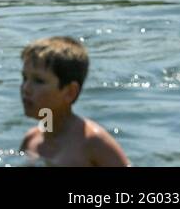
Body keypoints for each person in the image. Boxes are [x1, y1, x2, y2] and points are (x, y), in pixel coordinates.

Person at [19, 36, 130, 167]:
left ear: (70, 92)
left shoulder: (93, 142)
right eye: (24, 78)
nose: (25, 88)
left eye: (39, 81)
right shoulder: (31, 140)